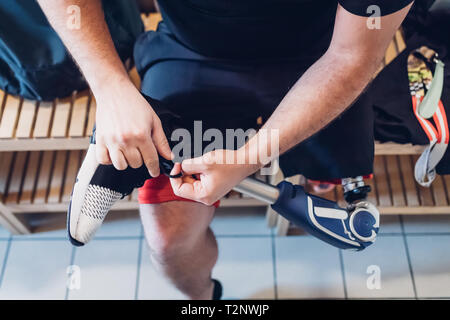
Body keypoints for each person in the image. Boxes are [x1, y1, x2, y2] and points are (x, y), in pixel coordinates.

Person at [37, 0, 413, 299]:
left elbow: (351, 56)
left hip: (322, 56)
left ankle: (319, 173)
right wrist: (109, 87)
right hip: (192, 51)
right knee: (167, 240)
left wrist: (250, 156)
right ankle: (204, 299)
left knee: (330, 168)